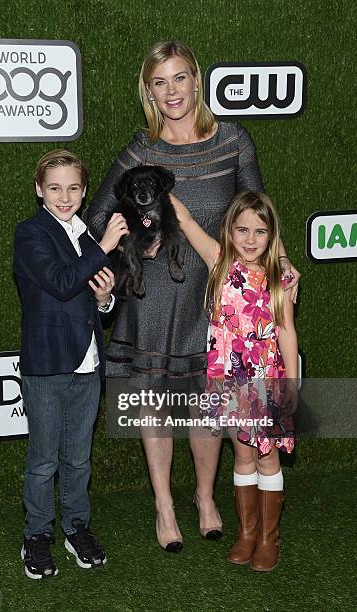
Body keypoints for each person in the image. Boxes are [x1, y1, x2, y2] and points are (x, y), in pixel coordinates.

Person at [86, 40, 299, 553]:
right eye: (159, 82)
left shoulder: (233, 141)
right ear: (148, 92)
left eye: (179, 78)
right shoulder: (142, 149)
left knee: (208, 404)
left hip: (216, 293)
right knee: (155, 404)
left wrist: (283, 261)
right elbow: (97, 217)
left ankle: (206, 498)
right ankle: (164, 506)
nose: (171, 91)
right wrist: (139, 237)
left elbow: (257, 209)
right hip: (154, 293)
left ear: (196, 80)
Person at [13, 150, 128, 579]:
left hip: (88, 363)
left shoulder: (84, 235)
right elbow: (62, 284)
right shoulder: (31, 233)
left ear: (83, 190)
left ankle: (76, 527)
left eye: (74, 188)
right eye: (56, 188)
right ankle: (37, 534)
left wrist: (104, 301)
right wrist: (104, 247)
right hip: (47, 364)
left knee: (78, 459)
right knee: (44, 460)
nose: (65, 197)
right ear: (40, 190)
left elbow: (90, 301)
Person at [171, 190, 297, 571]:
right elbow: (188, 223)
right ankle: (246, 533)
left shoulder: (281, 278)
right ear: (229, 231)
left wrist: (291, 384)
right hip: (228, 381)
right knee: (242, 454)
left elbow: (287, 332)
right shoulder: (220, 263)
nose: (250, 239)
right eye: (242, 230)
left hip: (265, 381)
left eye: (260, 231)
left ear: (271, 235)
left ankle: (267, 538)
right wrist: (167, 195)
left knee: (267, 456)